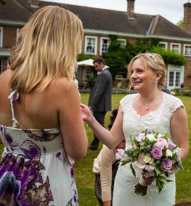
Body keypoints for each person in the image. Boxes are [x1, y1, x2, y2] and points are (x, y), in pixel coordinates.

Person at [0, 6, 88, 206]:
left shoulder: (4, 79)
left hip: (8, 179)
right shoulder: (63, 87)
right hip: (47, 181)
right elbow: (79, 151)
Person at [81, 53, 189, 206]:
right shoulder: (126, 102)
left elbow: (183, 148)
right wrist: (90, 120)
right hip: (126, 181)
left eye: (139, 71)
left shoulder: (173, 106)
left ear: (157, 75)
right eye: (132, 71)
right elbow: (112, 141)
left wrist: (160, 166)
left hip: (158, 184)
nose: (133, 76)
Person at [93, 109, 125, 206]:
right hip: (104, 172)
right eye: (123, 141)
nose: (125, 146)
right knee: (108, 199)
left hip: (121, 171)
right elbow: (106, 183)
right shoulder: (108, 148)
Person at [88, 57, 112, 150]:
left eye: (97, 66)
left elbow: (99, 91)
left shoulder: (104, 74)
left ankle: (110, 141)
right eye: (95, 67)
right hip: (102, 104)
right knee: (98, 125)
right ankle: (94, 145)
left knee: (99, 126)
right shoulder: (106, 73)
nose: (96, 68)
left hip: (100, 105)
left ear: (102, 63)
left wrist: (91, 105)